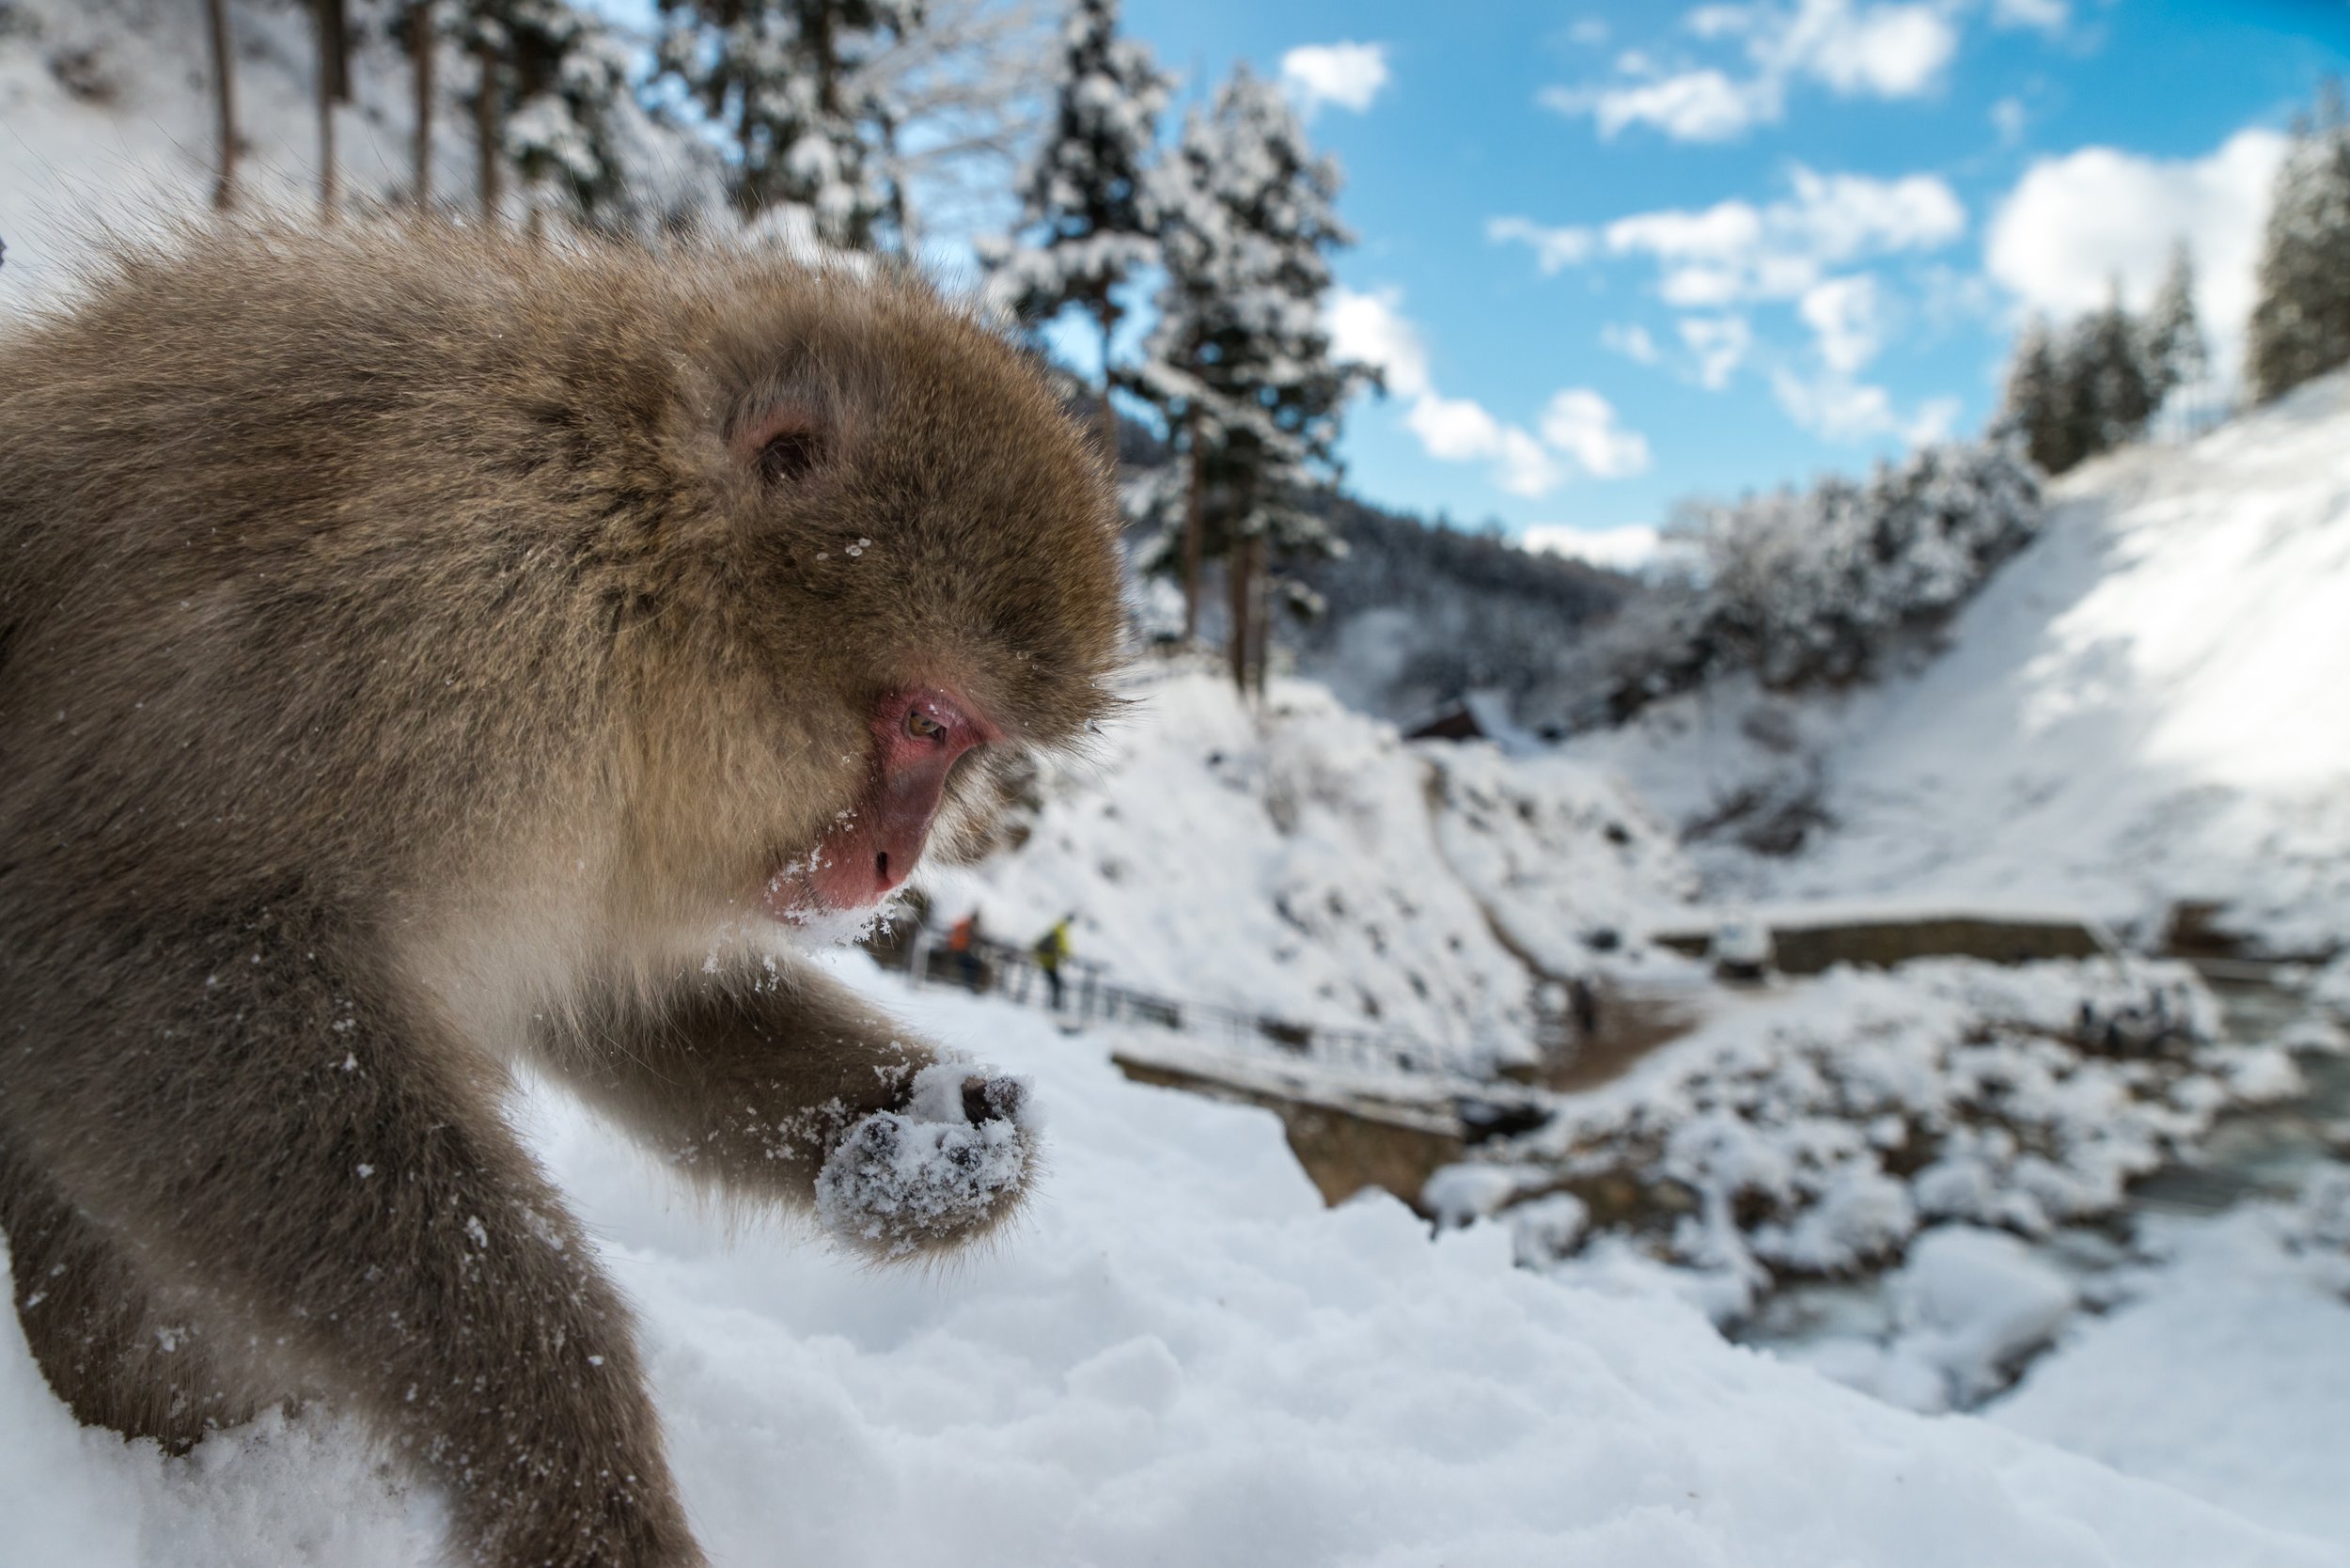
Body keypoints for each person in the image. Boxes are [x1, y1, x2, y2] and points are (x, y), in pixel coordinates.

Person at [1032, 915, 1073, 1010]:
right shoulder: (1060, 932)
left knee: (1055, 983)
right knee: (1057, 984)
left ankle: (1054, 1003)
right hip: (1050, 962)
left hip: (1046, 961)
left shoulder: (1055, 930)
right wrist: (1066, 955)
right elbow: (1063, 945)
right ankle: (1055, 1004)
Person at [946, 910, 984, 992]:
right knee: (971, 964)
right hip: (958, 951)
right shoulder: (966, 926)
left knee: (971, 963)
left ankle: (970, 984)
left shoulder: (963, 924)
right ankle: (970, 985)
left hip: (958, 950)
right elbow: (964, 940)